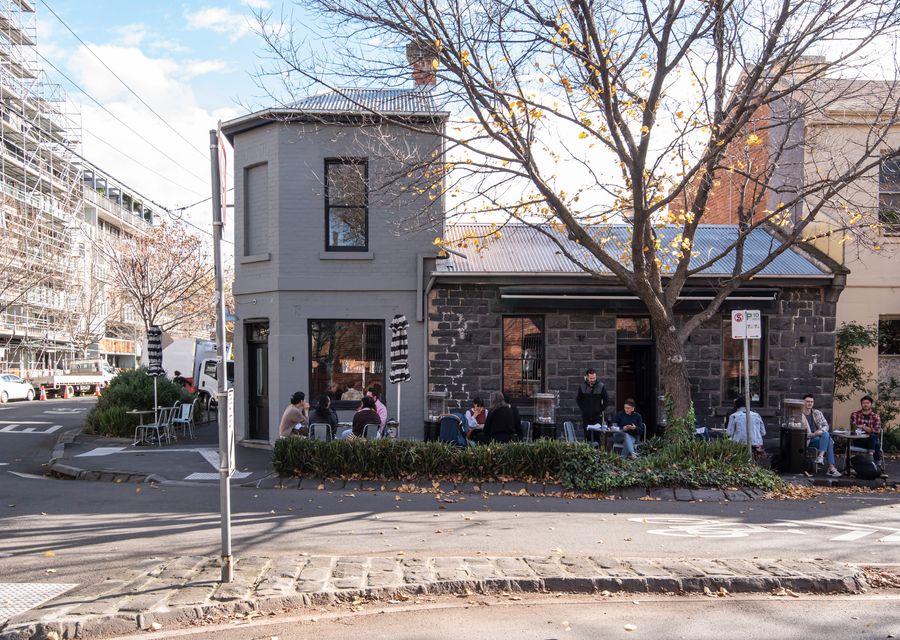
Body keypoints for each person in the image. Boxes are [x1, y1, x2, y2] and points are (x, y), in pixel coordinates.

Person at [800, 394, 841, 477]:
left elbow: (826, 426)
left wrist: (821, 431)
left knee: (826, 435)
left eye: (811, 402)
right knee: (828, 439)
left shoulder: (817, 413)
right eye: (807, 401)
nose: (810, 403)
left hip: (819, 438)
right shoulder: (799, 415)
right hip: (806, 440)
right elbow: (800, 433)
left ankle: (821, 457)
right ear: (803, 403)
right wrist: (813, 434)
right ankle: (830, 468)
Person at [576, 368, 609, 445]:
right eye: (591, 378)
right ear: (587, 377)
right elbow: (578, 400)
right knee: (587, 436)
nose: (592, 380)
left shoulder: (601, 386)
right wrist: (583, 409)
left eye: (594, 378)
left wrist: (600, 410)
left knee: (597, 437)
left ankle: (598, 455)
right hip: (586, 416)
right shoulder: (582, 386)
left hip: (597, 417)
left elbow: (606, 400)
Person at [850, 395, 883, 465]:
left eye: (867, 403)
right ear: (861, 404)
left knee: (873, 437)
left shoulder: (876, 416)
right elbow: (854, 428)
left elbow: (877, 430)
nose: (865, 405)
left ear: (871, 404)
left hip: (872, 441)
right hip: (859, 440)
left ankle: (870, 455)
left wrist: (863, 427)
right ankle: (878, 466)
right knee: (875, 442)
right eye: (864, 403)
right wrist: (869, 430)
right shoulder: (855, 415)